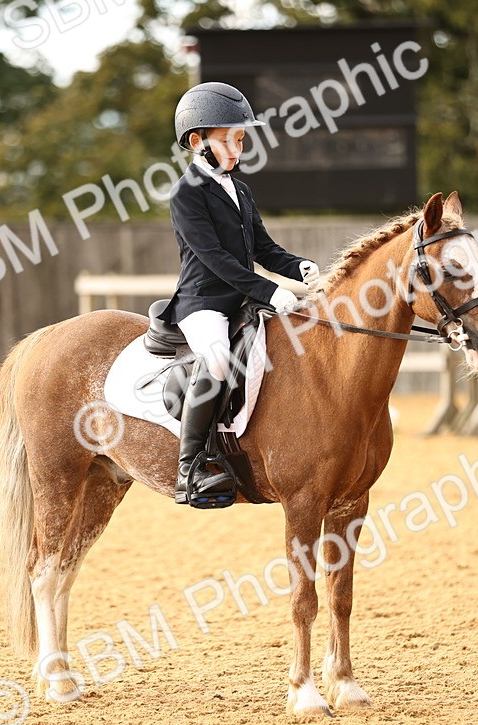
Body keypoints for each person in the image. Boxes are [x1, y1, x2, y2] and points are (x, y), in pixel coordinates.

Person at [162, 81, 319, 506]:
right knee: (216, 360)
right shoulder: (186, 194)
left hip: (243, 299)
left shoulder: (240, 189)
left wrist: (301, 269)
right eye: (231, 139)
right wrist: (270, 290)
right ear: (198, 141)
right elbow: (215, 259)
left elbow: (264, 250)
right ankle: (190, 467)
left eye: (242, 139)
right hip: (204, 302)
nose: (239, 148)